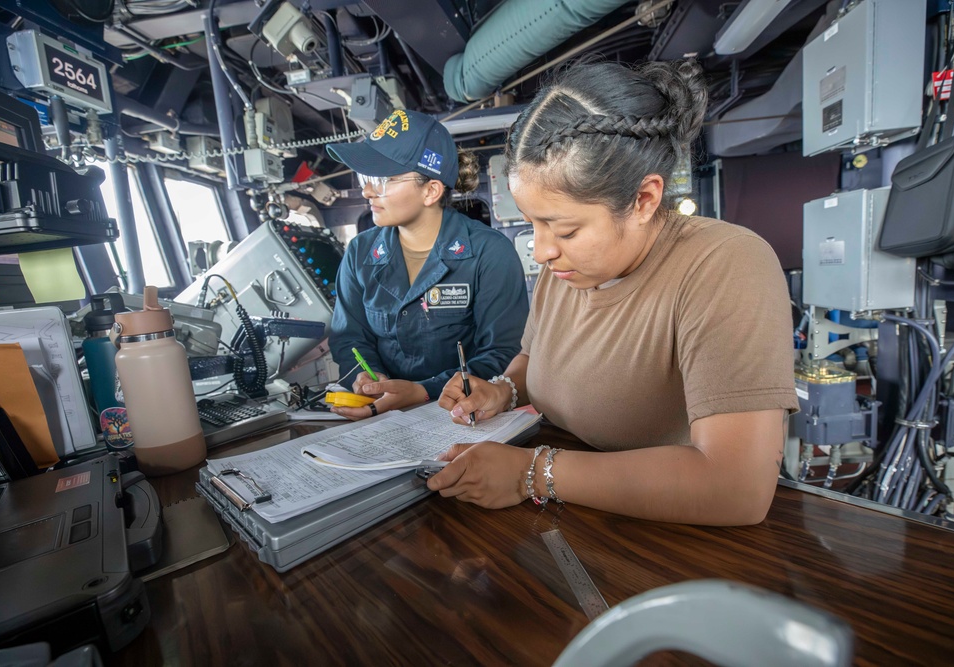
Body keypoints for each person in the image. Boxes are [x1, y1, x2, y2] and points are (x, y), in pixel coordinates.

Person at [432, 61, 799, 525]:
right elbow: (535, 359)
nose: (542, 250)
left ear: (644, 200)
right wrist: (502, 389)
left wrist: (533, 472)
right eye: (533, 224)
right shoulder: (567, 268)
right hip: (572, 511)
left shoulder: (726, 264)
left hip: (674, 536)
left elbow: (736, 486)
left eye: (564, 229)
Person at [326, 109, 529, 419]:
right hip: (381, 417)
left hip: (464, 416)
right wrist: (367, 378)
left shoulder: (490, 253)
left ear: (431, 191)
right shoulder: (358, 253)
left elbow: (503, 354)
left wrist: (424, 391)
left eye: (382, 179)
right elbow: (350, 338)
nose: (367, 191)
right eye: (366, 178)